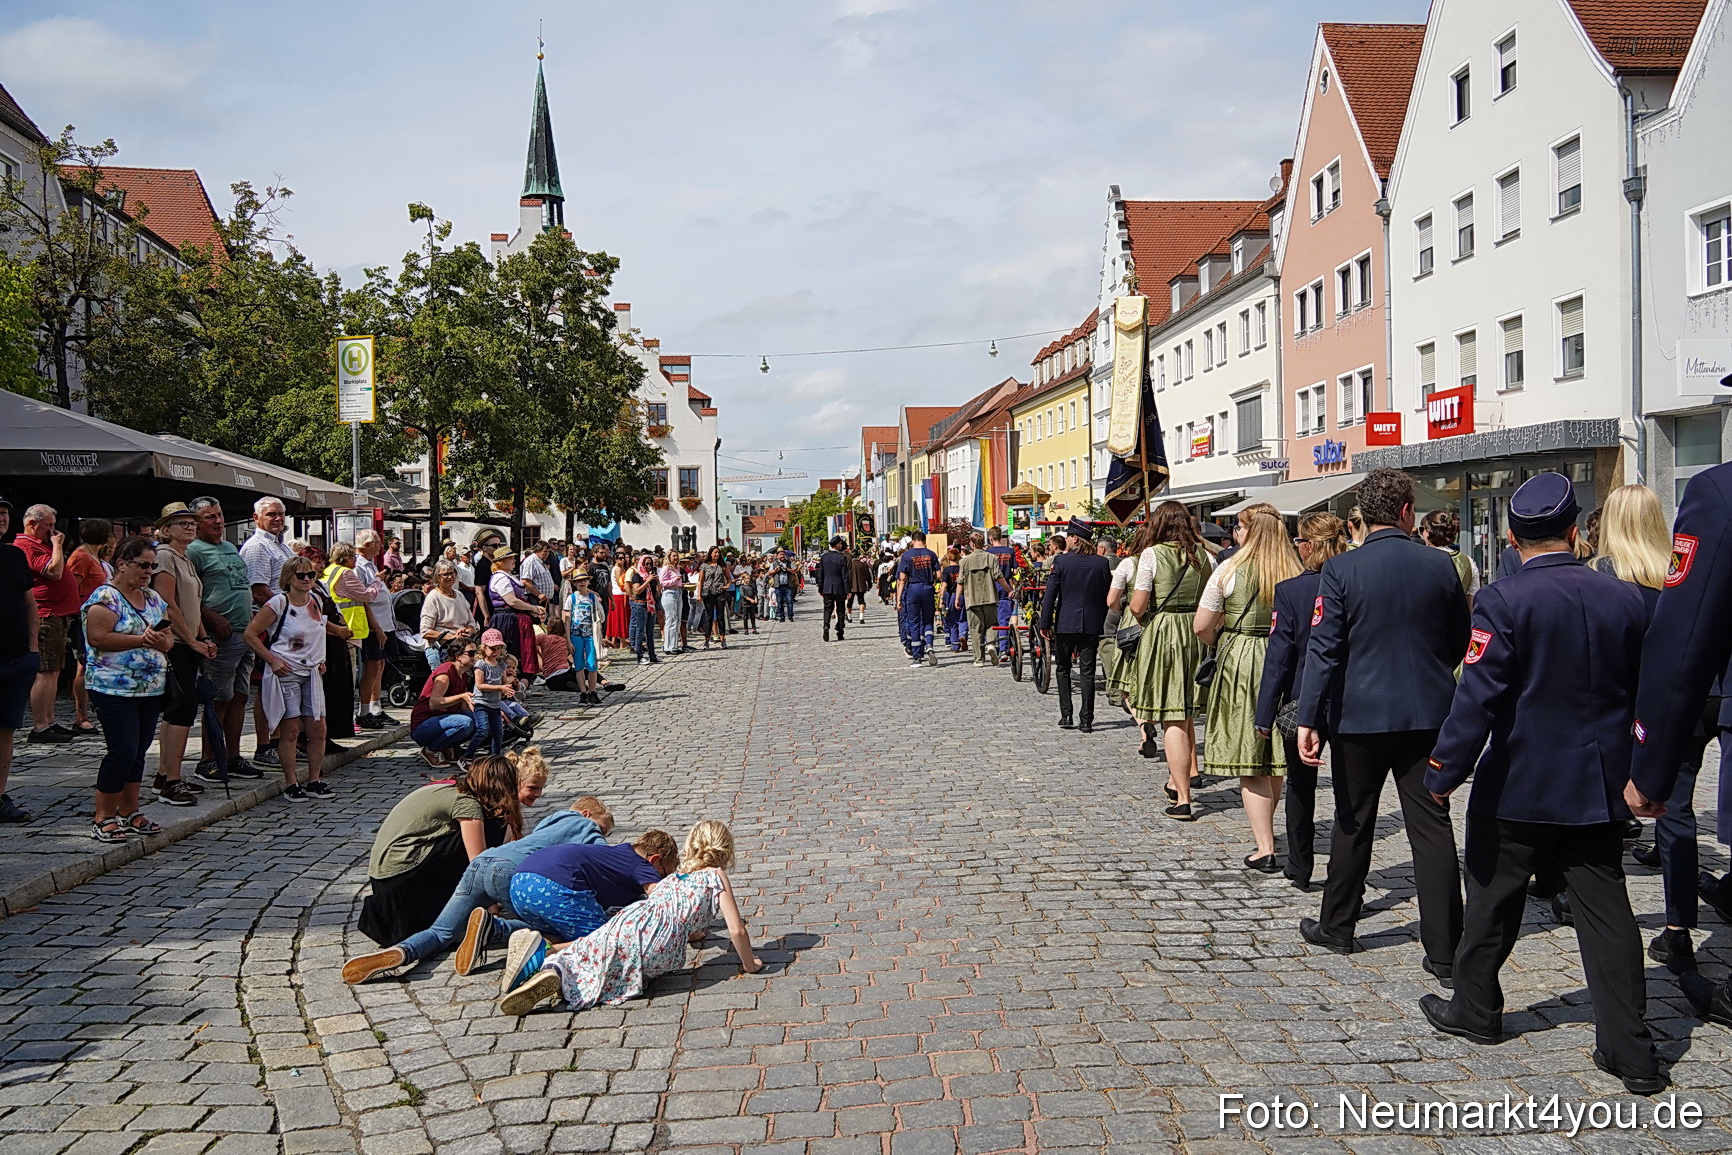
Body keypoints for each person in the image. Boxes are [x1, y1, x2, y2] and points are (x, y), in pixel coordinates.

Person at [1420, 473, 1663, 1095]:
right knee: (1606, 913)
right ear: (1576, 531)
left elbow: (1476, 698)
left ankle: (1475, 1008)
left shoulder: (1502, 601)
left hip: (1521, 781)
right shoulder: (1625, 600)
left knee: (1494, 899)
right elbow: (1648, 699)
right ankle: (1630, 1048)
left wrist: (1445, 771)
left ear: (1510, 535)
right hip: (1597, 783)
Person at [1296, 467, 1468, 976]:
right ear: (1405, 513)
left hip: (1359, 714)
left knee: (1353, 820)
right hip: (1426, 712)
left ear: (1362, 518)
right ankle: (1444, 948)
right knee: (1432, 827)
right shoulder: (1441, 566)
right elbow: (1460, 637)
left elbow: (1323, 650)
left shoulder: (1343, 571)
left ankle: (1339, 925)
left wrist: (1310, 716)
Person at [1629, 460, 1732, 1028]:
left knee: (1679, 808)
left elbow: (1684, 641)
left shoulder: (1718, 491)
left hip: (1701, 701)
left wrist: (1649, 763)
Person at [341, 778, 606, 984]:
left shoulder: (550, 821)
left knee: (441, 932)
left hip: (483, 863)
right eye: (604, 827)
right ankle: (494, 928)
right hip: (515, 872)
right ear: (586, 814)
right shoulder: (586, 826)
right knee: (551, 925)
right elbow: (601, 859)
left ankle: (403, 952)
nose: (603, 832)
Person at [498, 820, 762, 1016]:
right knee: (622, 965)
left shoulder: (674, 877)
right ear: (725, 851)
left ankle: (551, 965)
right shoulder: (715, 875)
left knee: (594, 944)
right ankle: (559, 978)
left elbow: (668, 907)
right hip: (662, 942)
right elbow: (736, 930)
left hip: (633, 918)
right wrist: (749, 964)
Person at [1196, 509, 1301, 870]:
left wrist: (1221, 642)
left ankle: (1265, 846)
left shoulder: (1228, 570)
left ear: (1247, 532)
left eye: (1238, 526)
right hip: (1286, 657)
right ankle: (1269, 834)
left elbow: (1202, 625)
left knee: (1251, 752)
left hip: (1242, 657)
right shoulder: (1295, 569)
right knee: (1275, 752)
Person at [1255, 511, 1348, 890]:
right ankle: (1343, 870)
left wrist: (1264, 713)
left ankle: (1300, 863)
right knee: (1348, 789)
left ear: (1307, 546)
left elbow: (1279, 658)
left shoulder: (1292, 590)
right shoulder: (1353, 580)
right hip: (1347, 699)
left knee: (1300, 785)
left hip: (1300, 700)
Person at [357, 756, 526, 947]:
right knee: (496, 827)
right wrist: (492, 911)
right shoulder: (467, 802)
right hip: (402, 881)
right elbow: (479, 863)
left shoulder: (450, 788)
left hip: (386, 881)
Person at [81, 535, 175, 843]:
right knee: (122, 750)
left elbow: (168, 636)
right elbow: (98, 637)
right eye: (142, 565)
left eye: (152, 566)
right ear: (122, 563)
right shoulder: (105, 598)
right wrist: (143, 641)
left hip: (149, 688)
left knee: (138, 751)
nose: (148, 571)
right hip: (112, 688)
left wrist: (164, 642)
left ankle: (130, 811)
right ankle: (104, 816)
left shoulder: (152, 598)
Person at [1126, 503, 1212, 819]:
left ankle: (1183, 797)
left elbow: (1137, 606)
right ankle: (1183, 776)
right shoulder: (1205, 556)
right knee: (1186, 711)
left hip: (1165, 632)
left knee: (1172, 715)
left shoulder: (1152, 555)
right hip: (1196, 632)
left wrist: (1150, 618)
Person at [244, 556, 335, 801]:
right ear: (289, 578)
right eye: (300, 575)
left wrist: (320, 658)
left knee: (318, 728)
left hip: (312, 672)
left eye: (311, 575)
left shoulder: (315, 600)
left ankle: (315, 779)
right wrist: (272, 660)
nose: (306, 580)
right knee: (291, 729)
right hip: (286, 672)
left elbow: (316, 633)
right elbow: (251, 634)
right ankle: (291, 782)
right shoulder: (278, 603)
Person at [185, 499, 260, 784]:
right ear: (197, 522)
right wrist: (210, 618)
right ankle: (208, 758)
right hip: (220, 634)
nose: (217, 521)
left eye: (219, 515)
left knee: (240, 695)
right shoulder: (194, 551)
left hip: (244, 631)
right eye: (209, 517)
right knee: (218, 698)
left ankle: (232, 755)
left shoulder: (230, 547)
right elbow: (188, 594)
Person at [148, 504, 216, 807]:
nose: (189, 527)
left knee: (184, 707)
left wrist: (202, 635)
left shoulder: (184, 558)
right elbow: (167, 603)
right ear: (166, 529)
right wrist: (190, 639)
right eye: (182, 523)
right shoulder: (164, 556)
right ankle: (170, 781)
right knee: (182, 707)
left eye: (192, 522)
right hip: (174, 642)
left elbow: (192, 603)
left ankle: (166, 774)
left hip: (188, 641)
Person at [508, 829, 679, 943]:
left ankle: (498, 929)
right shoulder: (642, 864)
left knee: (559, 934)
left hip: (519, 882)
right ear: (655, 859)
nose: (661, 878)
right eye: (664, 874)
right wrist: (683, 929)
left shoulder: (618, 855)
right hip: (554, 887)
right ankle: (546, 964)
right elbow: (660, 896)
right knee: (602, 942)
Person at [1039, 519, 1112, 733]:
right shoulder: (1101, 563)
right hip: (1091, 623)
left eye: (1069, 537)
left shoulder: (1062, 562)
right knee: (1088, 671)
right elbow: (1105, 596)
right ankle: (1087, 720)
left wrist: (1045, 623)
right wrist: (1101, 618)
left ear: (1074, 538)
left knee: (1063, 668)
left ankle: (1067, 715)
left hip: (1065, 622)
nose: (1067, 541)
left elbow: (1050, 595)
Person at [18, 504, 76, 745]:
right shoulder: (25, 545)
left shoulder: (41, 544)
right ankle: (40, 725)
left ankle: (50, 720)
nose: (53, 531)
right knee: (46, 671)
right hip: (45, 615)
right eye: (48, 526)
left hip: (57, 614)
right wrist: (58, 546)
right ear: (32, 524)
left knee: (54, 671)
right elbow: (53, 572)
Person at [0, 497, 39, 823]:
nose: (1, 518)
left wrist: (33, 646)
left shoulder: (14, 554)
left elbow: (29, 603)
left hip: (17, 657)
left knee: (6, 730)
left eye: (3, 512)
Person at [65, 519, 109, 739]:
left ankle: (88, 712)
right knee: (83, 665)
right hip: (83, 616)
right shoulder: (82, 557)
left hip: (96, 616)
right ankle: (81, 716)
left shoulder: (93, 556)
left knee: (90, 664)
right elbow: (72, 586)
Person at [411, 641, 478, 766]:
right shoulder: (445, 672)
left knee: (480, 721)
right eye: (471, 653)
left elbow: (463, 707)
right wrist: (462, 697)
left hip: (443, 721)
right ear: (458, 656)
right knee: (465, 723)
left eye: (476, 652)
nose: (475, 656)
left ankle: (448, 747)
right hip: (424, 724)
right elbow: (434, 703)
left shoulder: (464, 676)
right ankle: (431, 750)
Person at [485, 547, 546, 677]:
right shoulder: (500, 577)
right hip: (506, 619)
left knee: (518, 651)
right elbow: (511, 600)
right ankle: (508, 682)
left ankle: (518, 681)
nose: (513, 560)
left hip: (513, 618)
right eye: (510, 558)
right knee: (511, 651)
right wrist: (533, 608)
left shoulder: (507, 576)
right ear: (501, 561)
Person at [959, 533, 1007, 668]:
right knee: (992, 624)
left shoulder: (964, 561)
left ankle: (979, 659)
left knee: (975, 629)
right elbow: (999, 577)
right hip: (990, 597)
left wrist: (957, 598)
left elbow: (960, 582)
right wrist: (1009, 590)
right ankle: (991, 643)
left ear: (972, 544)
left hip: (972, 599)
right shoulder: (991, 558)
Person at [419, 561, 477, 671]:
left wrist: (467, 631)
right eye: (445, 574)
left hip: (462, 646)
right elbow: (425, 631)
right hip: (441, 648)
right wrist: (453, 637)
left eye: (452, 573)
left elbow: (471, 622)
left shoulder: (459, 595)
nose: (449, 577)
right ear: (437, 577)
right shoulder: (433, 597)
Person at [894, 531, 941, 668]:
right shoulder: (931, 554)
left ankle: (917, 656)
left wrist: (898, 599)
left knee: (914, 622)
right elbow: (939, 575)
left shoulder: (907, 555)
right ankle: (930, 646)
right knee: (928, 621)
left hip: (913, 590)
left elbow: (902, 579)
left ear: (913, 541)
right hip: (927, 589)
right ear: (924, 540)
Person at [1102, 538, 1138, 707]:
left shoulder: (1109, 563)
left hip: (1116, 607)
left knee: (1107, 640)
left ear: (1102, 550)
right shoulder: (1123, 561)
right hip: (1131, 606)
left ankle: (1116, 689)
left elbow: (1110, 598)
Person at [469, 629, 511, 758]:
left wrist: (508, 686)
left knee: (499, 732)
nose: (495, 652)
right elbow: (480, 685)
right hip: (481, 703)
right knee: (483, 730)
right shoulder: (481, 664)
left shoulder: (501, 665)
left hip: (495, 704)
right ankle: (467, 755)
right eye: (492, 648)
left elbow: (504, 681)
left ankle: (495, 756)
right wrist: (500, 688)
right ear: (484, 648)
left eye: (498, 648)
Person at [563, 570, 605, 703]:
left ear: (588, 581)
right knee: (579, 665)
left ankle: (593, 691)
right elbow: (567, 619)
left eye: (584, 580)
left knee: (592, 664)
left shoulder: (593, 598)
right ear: (574, 583)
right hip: (576, 635)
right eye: (579, 580)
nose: (582, 582)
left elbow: (601, 616)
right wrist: (568, 640)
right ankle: (583, 693)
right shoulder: (571, 598)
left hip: (590, 635)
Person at [1420, 510, 1479, 602]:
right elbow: (1471, 600)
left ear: (1428, 531)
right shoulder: (1468, 561)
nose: (1421, 533)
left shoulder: (1419, 558)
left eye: (1422, 529)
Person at [626, 555, 660, 664]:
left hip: (651, 605)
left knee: (650, 632)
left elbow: (657, 593)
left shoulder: (652, 576)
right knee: (640, 631)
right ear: (642, 564)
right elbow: (637, 591)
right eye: (647, 564)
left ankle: (652, 655)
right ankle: (639, 656)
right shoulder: (637, 575)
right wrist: (647, 581)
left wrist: (658, 582)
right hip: (640, 605)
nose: (649, 566)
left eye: (651, 564)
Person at [817, 536, 851, 642]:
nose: (841, 545)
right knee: (840, 610)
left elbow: (821, 574)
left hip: (827, 587)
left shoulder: (824, 557)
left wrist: (820, 588)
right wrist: (848, 590)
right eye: (840, 543)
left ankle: (826, 626)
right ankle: (840, 632)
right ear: (837, 545)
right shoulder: (842, 558)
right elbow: (845, 575)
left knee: (827, 608)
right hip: (839, 587)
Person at [699, 546, 730, 650]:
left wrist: (727, 586)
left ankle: (723, 639)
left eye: (718, 552)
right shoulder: (704, 565)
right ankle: (707, 640)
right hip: (708, 593)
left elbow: (729, 578)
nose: (717, 554)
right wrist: (699, 594)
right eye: (715, 552)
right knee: (709, 617)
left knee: (721, 616)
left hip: (720, 592)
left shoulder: (722, 565)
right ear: (711, 553)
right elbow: (701, 580)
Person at [940, 547, 966, 652]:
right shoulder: (962, 568)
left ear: (948, 557)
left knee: (952, 621)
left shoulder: (946, 570)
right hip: (963, 595)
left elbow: (944, 586)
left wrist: (941, 598)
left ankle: (955, 645)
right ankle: (963, 634)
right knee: (963, 618)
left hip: (951, 596)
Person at [606, 550, 633, 648]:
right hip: (619, 594)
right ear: (616, 559)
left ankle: (617, 641)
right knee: (621, 618)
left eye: (624, 558)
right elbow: (620, 583)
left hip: (620, 594)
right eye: (620, 558)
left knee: (620, 618)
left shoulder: (620, 568)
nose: (623, 560)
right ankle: (622, 642)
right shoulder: (617, 569)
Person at [771, 551, 798, 621]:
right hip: (778, 585)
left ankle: (790, 616)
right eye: (780, 554)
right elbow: (769, 572)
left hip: (788, 585)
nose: (782, 556)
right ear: (777, 555)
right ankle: (782, 617)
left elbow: (795, 570)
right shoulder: (774, 563)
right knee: (780, 602)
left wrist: (788, 569)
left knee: (789, 601)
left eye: (783, 554)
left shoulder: (789, 562)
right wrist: (775, 570)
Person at [849, 550, 873, 625]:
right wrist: (869, 585)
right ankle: (861, 617)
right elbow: (868, 576)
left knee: (849, 602)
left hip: (850, 586)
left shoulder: (848, 565)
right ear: (859, 557)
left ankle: (849, 617)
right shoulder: (863, 565)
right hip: (860, 586)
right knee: (861, 601)